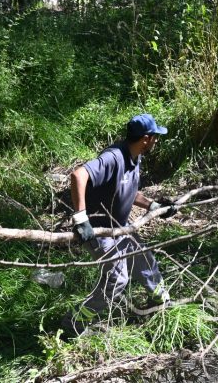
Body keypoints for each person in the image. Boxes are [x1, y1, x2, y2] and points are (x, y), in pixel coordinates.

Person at [61, 113, 178, 335]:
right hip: (98, 231)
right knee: (116, 280)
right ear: (146, 138)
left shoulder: (135, 157)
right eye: (155, 137)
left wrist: (153, 205)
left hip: (121, 227)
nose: (156, 141)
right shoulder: (114, 157)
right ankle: (74, 322)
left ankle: (161, 303)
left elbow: (128, 190)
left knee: (145, 260)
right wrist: (80, 218)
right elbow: (78, 175)